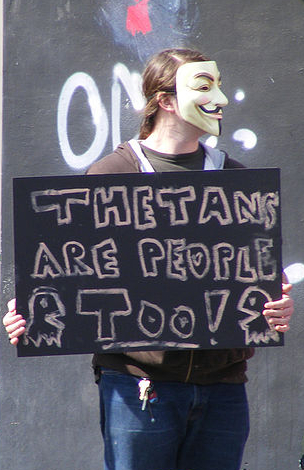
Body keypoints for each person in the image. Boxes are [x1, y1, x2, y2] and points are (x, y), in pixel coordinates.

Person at [3, 48, 294, 470]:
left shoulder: (237, 182)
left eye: (219, 84)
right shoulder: (110, 176)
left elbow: (260, 277)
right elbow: (66, 270)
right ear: (166, 100)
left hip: (224, 389)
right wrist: (30, 313)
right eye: (204, 85)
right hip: (140, 389)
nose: (222, 98)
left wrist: (278, 304)